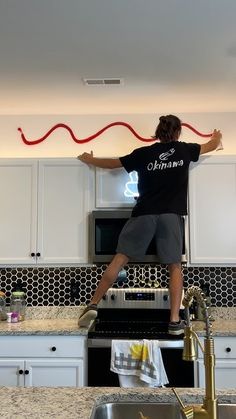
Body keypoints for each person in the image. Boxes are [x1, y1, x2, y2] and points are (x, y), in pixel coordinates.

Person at [77, 115, 222, 334]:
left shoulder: (143, 153)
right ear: (178, 132)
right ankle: (174, 321)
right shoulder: (185, 150)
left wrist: (89, 159)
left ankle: (93, 304)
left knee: (119, 259)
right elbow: (211, 146)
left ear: (158, 132)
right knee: (174, 266)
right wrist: (217, 135)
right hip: (170, 216)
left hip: (144, 214)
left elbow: (112, 163)